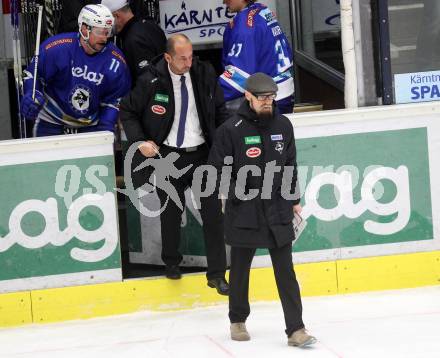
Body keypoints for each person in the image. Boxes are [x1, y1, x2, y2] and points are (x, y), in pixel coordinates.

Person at [208, 72, 316, 347]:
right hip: (244, 210)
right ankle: (237, 319)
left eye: (271, 97)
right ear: (248, 96)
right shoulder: (230, 130)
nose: (267, 102)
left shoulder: (283, 125)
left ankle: (296, 329)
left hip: (278, 208)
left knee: (286, 271)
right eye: (262, 98)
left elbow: (290, 163)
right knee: (241, 269)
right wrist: (237, 194)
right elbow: (218, 171)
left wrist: (294, 197)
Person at [120, 34, 230, 295]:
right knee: (170, 212)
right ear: (168, 57)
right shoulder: (151, 79)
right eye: (182, 58)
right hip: (168, 155)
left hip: (202, 154)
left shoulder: (204, 72)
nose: (188, 63)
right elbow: (127, 111)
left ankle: (217, 274)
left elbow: (221, 110)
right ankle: (171, 262)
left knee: (213, 214)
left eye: (191, 56)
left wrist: (224, 142)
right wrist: (141, 141)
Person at [20, 4, 131, 136]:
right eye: (100, 32)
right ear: (84, 29)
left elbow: (116, 97)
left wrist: (106, 123)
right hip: (50, 122)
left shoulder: (116, 61)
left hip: (90, 126)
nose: (104, 38)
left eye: (107, 32)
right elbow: (33, 74)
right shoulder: (56, 48)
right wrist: (31, 94)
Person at [220, 0, 294, 114]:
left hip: (267, 101)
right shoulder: (262, 9)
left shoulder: (245, 26)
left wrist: (209, 93)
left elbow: (240, 76)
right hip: (283, 94)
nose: (224, 1)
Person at [101, 0, 166, 86]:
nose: (107, 27)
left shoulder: (133, 40)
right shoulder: (150, 24)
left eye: (108, 22)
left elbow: (147, 82)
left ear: (116, 16)